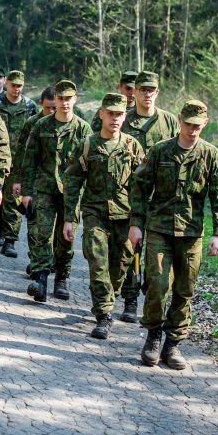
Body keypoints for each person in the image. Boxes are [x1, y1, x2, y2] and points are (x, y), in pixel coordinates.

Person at [129, 99, 218, 370]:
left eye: (198, 126)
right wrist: (136, 224)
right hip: (159, 229)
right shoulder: (160, 151)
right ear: (179, 120)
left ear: (205, 124)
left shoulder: (211, 155)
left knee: (184, 289)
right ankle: (153, 335)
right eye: (188, 124)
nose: (192, 130)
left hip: (191, 233)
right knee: (157, 284)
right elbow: (140, 188)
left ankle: (173, 343)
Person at [63, 93, 145, 339]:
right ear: (101, 114)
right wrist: (69, 217)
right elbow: (73, 181)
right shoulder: (88, 145)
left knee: (120, 267)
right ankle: (104, 314)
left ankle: (109, 297)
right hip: (95, 213)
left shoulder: (132, 147)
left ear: (124, 116)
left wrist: (140, 221)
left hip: (125, 216)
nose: (115, 118)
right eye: (110, 113)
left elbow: (142, 187)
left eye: (119, 114)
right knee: (98, 263)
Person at [118, 70, 180, 323]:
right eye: (141, 89)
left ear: (157, 92)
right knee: (129, 249)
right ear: (135, 91)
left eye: (150, 90)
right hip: (127, 195)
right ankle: (130, 299)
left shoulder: (169, 122)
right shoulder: (124, 119)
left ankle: (153, 297)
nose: (146, 94)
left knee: (157, 256)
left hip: (161, 198)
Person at [21, 80, 92, 302]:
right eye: (60, 99)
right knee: (41, 234)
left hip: (71, 193)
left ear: (75, 100)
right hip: (44, 188)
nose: (64, 103)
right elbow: (29, 159)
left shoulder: (83, 129)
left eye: (68, 99)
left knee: (66, 238)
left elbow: (89, 165)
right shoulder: (41, 125)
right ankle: (40, 279)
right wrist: (26, 191)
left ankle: (61, 278)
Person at [0, 70, 36, 256]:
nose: (16, 89)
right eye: (13, 85)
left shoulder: (30, 106)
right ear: (6, 84)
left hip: (19, 160)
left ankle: (10, 240)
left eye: (19, 86)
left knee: (13, 200)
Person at [17, 87, 56, 279]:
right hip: (35, 182)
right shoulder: (32, 123)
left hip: (57, 186)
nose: (52, 112)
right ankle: (37, 261)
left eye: (55, 108)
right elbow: (22, 155)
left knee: (53, 229)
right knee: (34, 225)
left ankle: (47, 262)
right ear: (41, 104)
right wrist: (19, 182)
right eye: (49, 108)